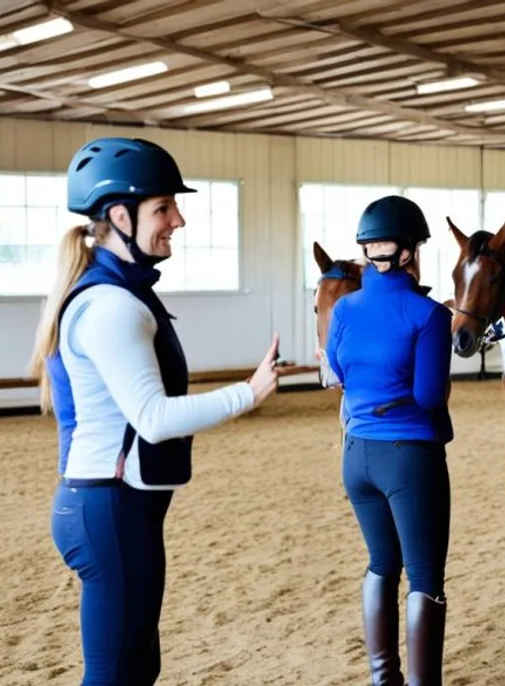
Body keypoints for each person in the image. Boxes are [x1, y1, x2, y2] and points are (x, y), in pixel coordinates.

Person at [29, 136, 284, 685]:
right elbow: (152, 418)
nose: (179, 220)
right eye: (164, 207)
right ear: (120, 215)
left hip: (119, 509)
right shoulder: (111, 307)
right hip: (108, 510)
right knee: (116, 675)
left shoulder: (119, 295)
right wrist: (249, 393)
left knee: (138, 666)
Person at [323, 195, 453, 686]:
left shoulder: (343, 307)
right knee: (424, 577)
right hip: (409, 457)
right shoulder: (429, 315)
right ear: (410, 251)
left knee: (381, 563)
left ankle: (384, 679)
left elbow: (336, 373)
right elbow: (427, 396)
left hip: (356, 456)